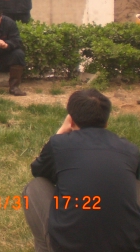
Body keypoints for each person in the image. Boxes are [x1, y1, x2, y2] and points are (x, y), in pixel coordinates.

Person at [23, 89, 140, 252]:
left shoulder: (59, 144)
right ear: (106, 122)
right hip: (128, 246)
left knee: (35, 187)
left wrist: (59, 134)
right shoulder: (131, 150)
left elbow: (38, 170)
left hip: (68, 246)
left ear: (70, 120)